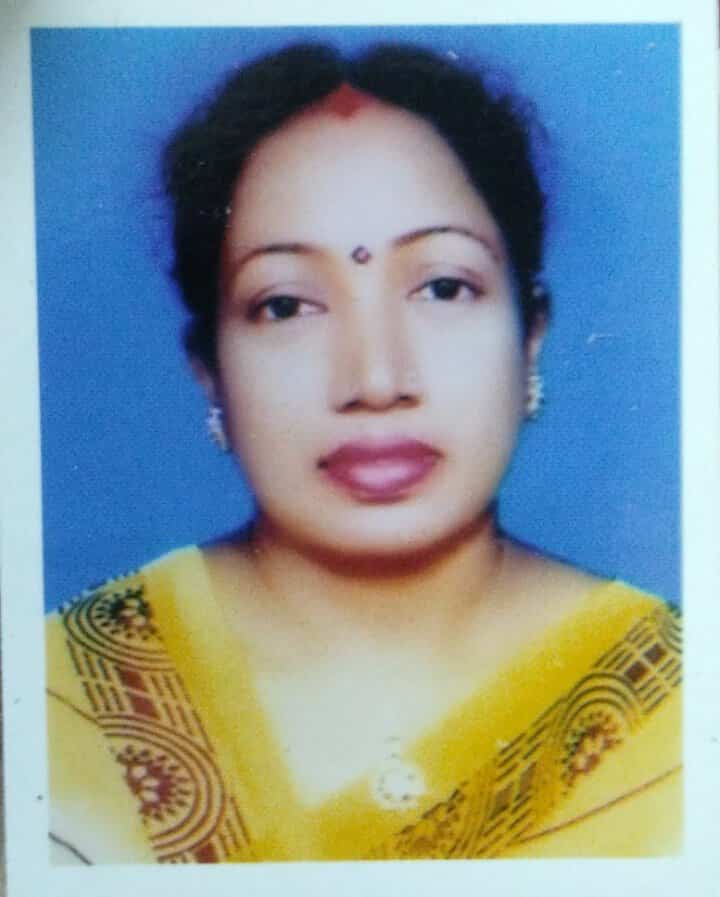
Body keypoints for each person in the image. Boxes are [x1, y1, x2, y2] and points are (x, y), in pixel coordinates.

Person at [45, 42, 681, 863]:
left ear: (530, 337)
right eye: (286, 305)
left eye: (443, 287)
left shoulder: (682, 706)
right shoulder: (59, 695)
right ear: (208, 364)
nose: (376, 379)